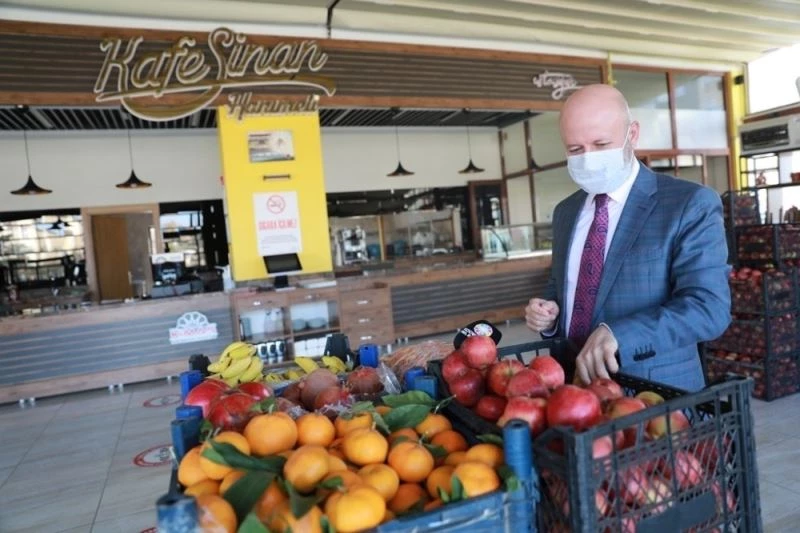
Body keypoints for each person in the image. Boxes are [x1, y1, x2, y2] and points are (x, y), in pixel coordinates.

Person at [525, 84, 730, 392]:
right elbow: (561, 286)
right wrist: (549, 314)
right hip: (570, 388)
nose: (588, 157)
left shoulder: (688, 204)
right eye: (575, 150)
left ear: (632, 134)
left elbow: (708, 308)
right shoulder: (566, 212)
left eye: (601, 143)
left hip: (654, 393)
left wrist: (621, 334)